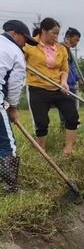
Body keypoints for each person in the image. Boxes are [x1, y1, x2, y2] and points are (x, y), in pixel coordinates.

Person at [24, 18, 79, 156]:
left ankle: (68, 150)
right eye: (54, 33)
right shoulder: (29, 45)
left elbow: (64, 69)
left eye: (57, 34)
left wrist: (64, 82)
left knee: (72, 115)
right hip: (37, 88)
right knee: (41, 122)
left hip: (57, 87)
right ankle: (41, 151)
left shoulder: (61, 49)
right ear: (43, 31)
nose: (56, 36)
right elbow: (19, 63)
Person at [0, 20, 35, 192]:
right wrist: (13, 107)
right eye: (25, 40)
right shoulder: (15, 52)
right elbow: (14, 84)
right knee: (7, 143)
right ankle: (10, 187)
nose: (25, 44)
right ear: (14, 34)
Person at [58, 28, 81, 124]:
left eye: (78, 41)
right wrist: (65, 48)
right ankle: (65, 127)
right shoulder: (59, 48)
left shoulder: (69, 51)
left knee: (72, 109)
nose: (76, 43)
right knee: (66, 109)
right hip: (64, 84)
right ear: (68, 37)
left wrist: (78, 78)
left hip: (72, 84)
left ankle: (71, 126)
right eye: (75, 40)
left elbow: (70, 68)